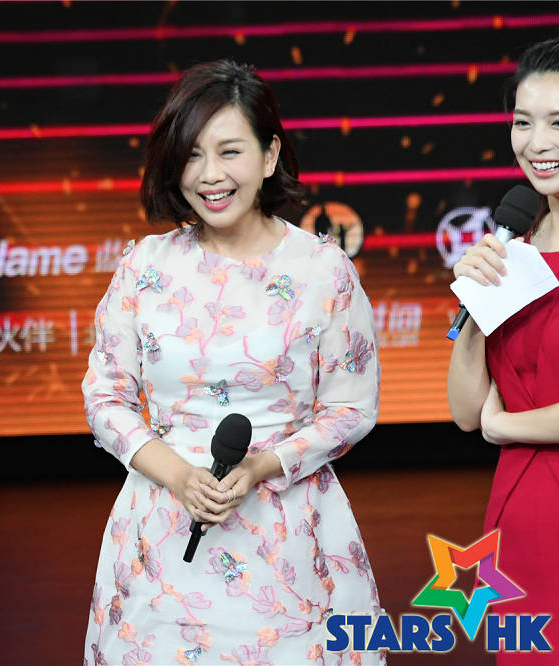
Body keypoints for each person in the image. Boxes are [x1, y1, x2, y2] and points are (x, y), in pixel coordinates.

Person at [82, 60, 383, 665]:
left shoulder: (323, 270)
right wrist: (178, 476)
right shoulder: (144, 267)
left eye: (229, 152)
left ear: (270, 156)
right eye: (192, 155)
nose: (210, 175)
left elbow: (351, 408)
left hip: (289, 529)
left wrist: (263, 465)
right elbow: (105, 396)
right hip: (162, 529)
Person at [447, 33, 559, 663]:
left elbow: (490, 423)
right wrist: (475, 306)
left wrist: (507, 426)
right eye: (523, 122)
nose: (536, 142)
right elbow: (467, 413)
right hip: (518, 513)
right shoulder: (511, 247)